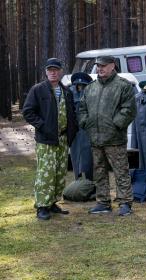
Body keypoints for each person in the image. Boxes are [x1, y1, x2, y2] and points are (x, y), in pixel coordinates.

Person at [79, 55, 136, 216]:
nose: (100, 68)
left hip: (115, 139)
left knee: (121, 171)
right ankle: (103, 202)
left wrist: (115, 125)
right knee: (99, 171)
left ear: (113, 66)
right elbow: (82, 108)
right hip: (96, 139)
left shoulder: (123, 86)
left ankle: (125, 203)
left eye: (103, 65)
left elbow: (129, 110)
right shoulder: (90, 87)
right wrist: (85, 123)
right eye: (98, 65)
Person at [22, 58, 78, 220]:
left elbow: (71, 113)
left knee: (60, 172)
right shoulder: (38, 90)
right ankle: (42, 206)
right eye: (50, 69)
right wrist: (43, 126)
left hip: (62, 139)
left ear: (61, 71)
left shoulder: (66, 91)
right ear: (46, 72)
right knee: (46, 173)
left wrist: (72, 131)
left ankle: (53, 202)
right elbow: (28, 112)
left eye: (56, 69)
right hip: (46, 140)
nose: (53, 72)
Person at [69, 72, 93, 180]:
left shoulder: (91, 94)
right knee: (75, 155)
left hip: (88, 129)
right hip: (74, 130)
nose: (80, 87)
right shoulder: (69, 93)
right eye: (78, 85)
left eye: (83, 85)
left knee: (88, 157)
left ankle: (89, 181)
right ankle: (77, 179)